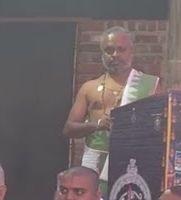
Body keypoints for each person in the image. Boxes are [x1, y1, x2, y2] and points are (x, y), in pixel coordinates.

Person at [63, 27, 149, 176]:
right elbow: (69, 129)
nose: (115, 55)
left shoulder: (149, 86)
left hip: (133, 163)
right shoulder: (89, 88)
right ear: (102, 53)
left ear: (131, 51)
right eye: (109, 50)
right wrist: (97, 125)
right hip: (95, 164)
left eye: (121, 49)